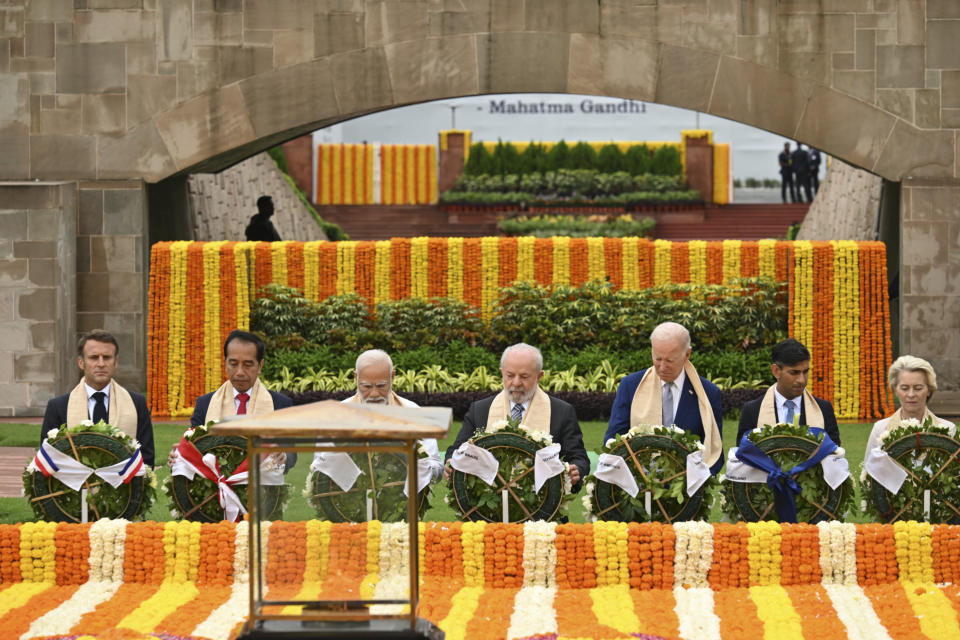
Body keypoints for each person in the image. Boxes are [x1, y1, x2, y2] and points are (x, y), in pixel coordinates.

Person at [444, 343, 590, 491]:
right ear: (502, 373)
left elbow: (579, 458)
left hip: (545, 509)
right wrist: (451, 463)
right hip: (488, 509)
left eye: (524, 376)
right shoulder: (480, 410)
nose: (516, 383)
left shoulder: (562, 411)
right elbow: (457, 450)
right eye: (510, 375)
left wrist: (576, 470)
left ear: (539, 376)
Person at [605, 322, 724, 474]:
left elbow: (714, 451)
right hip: (638, 486)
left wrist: (695, 484)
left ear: (687, 354)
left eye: (669, 361)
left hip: (688, 489)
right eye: (657, 359)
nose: (662, 367)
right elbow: (613, 442)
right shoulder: (630, 386)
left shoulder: (708, 393)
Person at [41, 330, 155, 466]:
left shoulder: (136, 403)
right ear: (81, 362)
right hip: (75, 486)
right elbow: (47, 459)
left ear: (116, 362)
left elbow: (147, 459)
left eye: (107, 357)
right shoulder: (59, 406)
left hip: (124, 484)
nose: (101, 364)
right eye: (94, 357)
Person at [186, 329, 295, 468]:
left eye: (248, 365)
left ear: (260, 366)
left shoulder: (280, 404)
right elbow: (192, 448)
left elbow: (292, 455)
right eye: (233, 364)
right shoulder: (205, 404)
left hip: (263, 486)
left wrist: (284, 455)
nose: (240, 372)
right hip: (216, 486)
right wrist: (180, 456)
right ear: (225, 363)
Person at [340, 349, 443, 481]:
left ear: (392, 376)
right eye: (366, 386)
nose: (374, 394)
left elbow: (437, 468)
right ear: (356, 377)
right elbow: (321, 468)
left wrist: (411, 466)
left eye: (381, 386)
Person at [737, 338, 841, 447]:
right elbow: (743, 455)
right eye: (794, 372)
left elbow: (834, 455)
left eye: (805, 372)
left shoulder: (824, 410)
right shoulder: (753, 411)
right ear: (776, 371)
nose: (801, 380)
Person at [864, 356, 954, 455]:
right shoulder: (880, 429)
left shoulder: (947, 430)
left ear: (929, 390)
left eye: (918, 388)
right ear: (895, 390)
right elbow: (870, 469)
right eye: (905, 388)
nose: (911, 394)